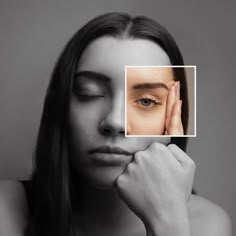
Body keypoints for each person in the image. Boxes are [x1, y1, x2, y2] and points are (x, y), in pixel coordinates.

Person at [0, 12, 232, 236]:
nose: (115, 121)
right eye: (89, 93)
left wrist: (168, 224)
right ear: (60, 109)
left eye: (147, 101)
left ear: (173, 121)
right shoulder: (7, 210)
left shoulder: (207, 224)